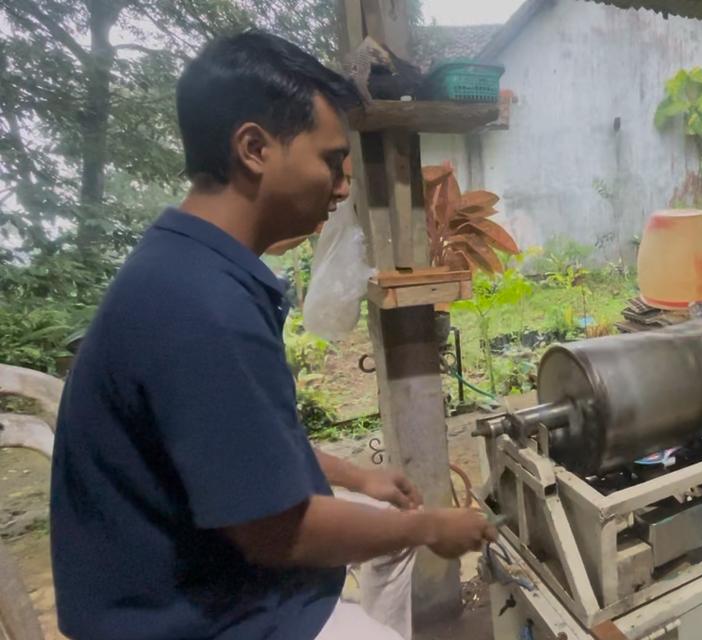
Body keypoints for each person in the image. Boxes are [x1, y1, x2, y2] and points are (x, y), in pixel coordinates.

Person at [49, 30, 495, 640]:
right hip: (195, 617)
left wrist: (357, 476)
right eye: (331, 162)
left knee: (387, 537)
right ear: (254, 149)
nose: (343, 186)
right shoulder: (200, 308)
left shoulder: (193, 266)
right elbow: (280, 535)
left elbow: (236, 444)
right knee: (399, 553)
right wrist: (431, 527)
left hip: (214, 571)